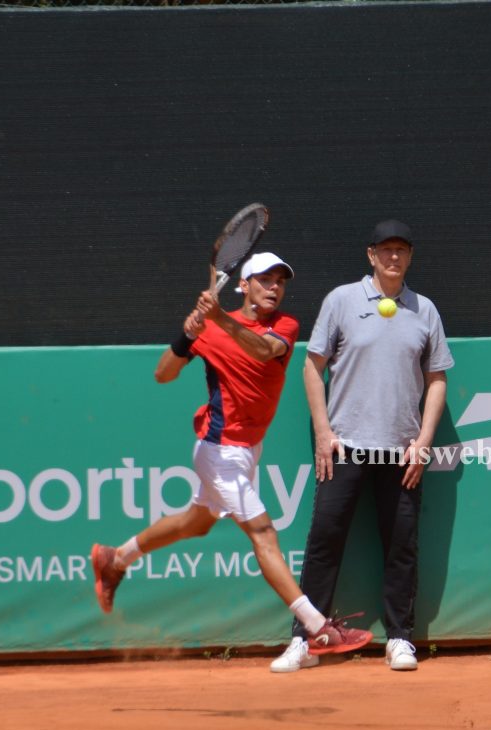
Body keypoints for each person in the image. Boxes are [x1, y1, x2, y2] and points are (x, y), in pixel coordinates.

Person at [91, 251, 372, 662]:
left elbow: (261, 351)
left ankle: (115, 558)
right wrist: (188, 334)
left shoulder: (285, 326)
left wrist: (217, 318)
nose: (275, 287)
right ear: (245, 285)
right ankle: (318, 628)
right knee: (263, 533)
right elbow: (163, 373)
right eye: (265, 280)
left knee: (196, 522)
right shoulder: (211, 328)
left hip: (246, 449)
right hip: (218, 451)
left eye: (281, 281)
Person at [270, 220, 454, 673]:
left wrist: (424, 442)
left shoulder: (424, 310)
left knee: (401, 546)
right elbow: (313, 368)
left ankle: (399, 639)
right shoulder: (341, 301)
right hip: (346, 447)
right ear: (371, 255)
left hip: (401, 451)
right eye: (386, 250)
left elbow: (436, 379)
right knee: (324, 542)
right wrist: (323, 432)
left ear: (410, 257)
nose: (394, 257)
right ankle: (307, 639)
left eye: (402, 250)